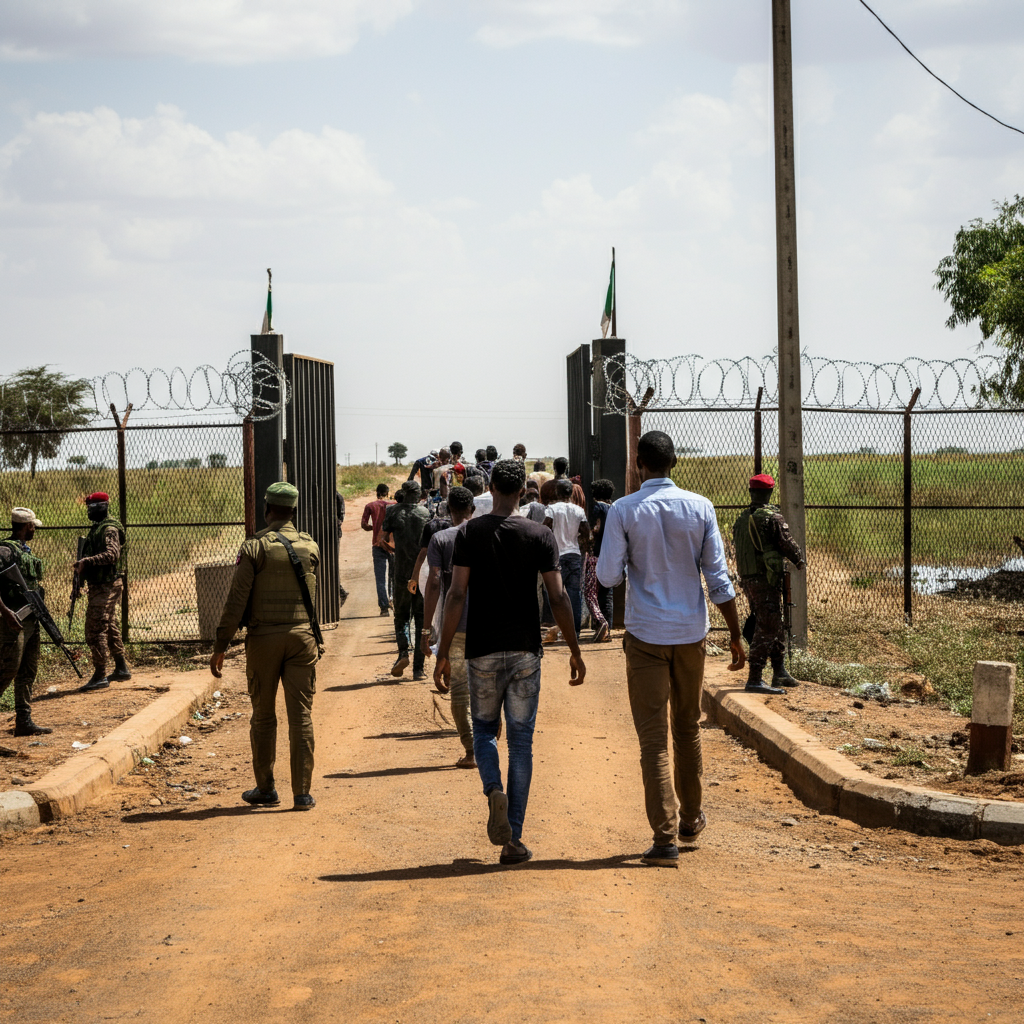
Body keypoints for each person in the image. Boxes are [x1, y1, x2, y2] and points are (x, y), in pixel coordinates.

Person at [597, 430, 745, 868]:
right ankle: (692, 816)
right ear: (674, 462)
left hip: (645, 636)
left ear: (638, 464)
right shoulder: (700, 507)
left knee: (652, 739)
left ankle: (664, 840)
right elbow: (718, 577)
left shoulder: (624, 510)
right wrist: (735, 633)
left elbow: (607, 577)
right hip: (690, 634)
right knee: (687, 727)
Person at [435, 459, 585, 866]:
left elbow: (456, 594)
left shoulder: (469, 532)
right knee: (521, 741)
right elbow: (558, 597)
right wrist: (574, 648)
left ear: (491, 489)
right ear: (522, 491)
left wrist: (444, 651)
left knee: (484, 732)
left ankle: (492, 789)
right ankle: (513, 838)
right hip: (524, 650)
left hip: (481, 649)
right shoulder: (540, 534)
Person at [210, 482, 321, 810]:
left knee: (263, 715)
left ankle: (266, 788)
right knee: (301, 715)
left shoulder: (255, 547)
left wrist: (221, 644)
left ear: (267, 509)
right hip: (303, 639)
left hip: (263, 641)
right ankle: (302, 793)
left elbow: (236, 601)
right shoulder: (310, 546)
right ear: (294, 511)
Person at [732, 473, 805, 695]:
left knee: (773, 620)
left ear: (751, 492)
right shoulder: (772, 518)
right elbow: (787, 544)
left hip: (748, 579)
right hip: (766, 578)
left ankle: (779, 671)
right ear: (770, 492)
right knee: (768, 625)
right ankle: (755, 677)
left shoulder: (742, 519)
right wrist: (799, 560)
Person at [420, 486, 475, 768]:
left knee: (461, 690)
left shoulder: (441, 539)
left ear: (448, 510)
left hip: (456, 626)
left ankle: (472, 751)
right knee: (488, 686)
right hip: (489, 625)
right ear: (473, 510)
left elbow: (432, 583)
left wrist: (427, 630)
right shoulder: (486, 534)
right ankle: (488, 737)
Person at [0, 507, 52, 736]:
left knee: (27, 671)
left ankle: (23, 720)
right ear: (27, 526)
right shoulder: (4, 551)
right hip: (12, 620)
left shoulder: (24, 551)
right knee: (6, 670)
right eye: (33, 526)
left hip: (30, 619)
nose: (35, 530)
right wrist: (5, 612)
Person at [74, 492, 130, 693]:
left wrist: (87, 562)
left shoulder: (109, 528)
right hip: (100, 584)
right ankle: (121, 667)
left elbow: (112, 555)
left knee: (95, 629)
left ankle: (100, 674)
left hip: (107, 584)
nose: (88, 512)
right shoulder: (98, 528)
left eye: (90, 508)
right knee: (109, 625)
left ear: (99, 508)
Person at [382, 480, 429, 679]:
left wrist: (393, 550)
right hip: (420, 574)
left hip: (401, 572)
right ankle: (418, 670)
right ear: (418, 496)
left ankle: (403, 653)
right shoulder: (425, 514)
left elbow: (381, 538)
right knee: (420, 618)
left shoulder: (392, 512)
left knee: (401, 617)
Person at [543, 480, 590, 639]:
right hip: (574, 555)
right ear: (571, 493)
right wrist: (584, 547)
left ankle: (559, 627)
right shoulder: (579, 510)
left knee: (556, 595)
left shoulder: (552, 509)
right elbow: (585, 531)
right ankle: (574, 632)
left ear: (557, 493)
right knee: (574, 594)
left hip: (557, 556)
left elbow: (545, 528)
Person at [587, 478, 616, 640]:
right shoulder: (615, 508)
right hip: (611, 554)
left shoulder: (597, 507)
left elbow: (596, 529)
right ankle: (607, 630)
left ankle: (600, 623)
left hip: (597, 554)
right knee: (607, 592)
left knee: (591, 592)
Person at [360, 483, 394, 615]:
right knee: (394, 576)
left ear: (377, 492)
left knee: (380, 578)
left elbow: (364, 524)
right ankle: (395, 602)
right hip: (392, 545)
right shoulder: (394, 504)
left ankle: (384, 608)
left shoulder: (370, 506)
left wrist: (373, 528)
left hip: (377, 544)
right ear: (387, 492)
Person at [335, 490, 349, 609]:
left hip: (333, 534)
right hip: (329, 534)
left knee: (331, 565)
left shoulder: (337, 496)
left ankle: (340, 592)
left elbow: (341, 517)